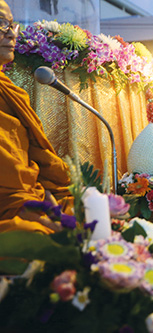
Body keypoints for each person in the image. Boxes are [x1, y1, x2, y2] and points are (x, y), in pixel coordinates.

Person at [0, 0, 71, 234]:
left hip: (31, 194)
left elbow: (38, 156)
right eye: (2, 24)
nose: (11, 34)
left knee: (94, 215)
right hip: (11, 207)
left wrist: (50, 196)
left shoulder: (11, 92)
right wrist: (24, 205)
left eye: (12, 25)